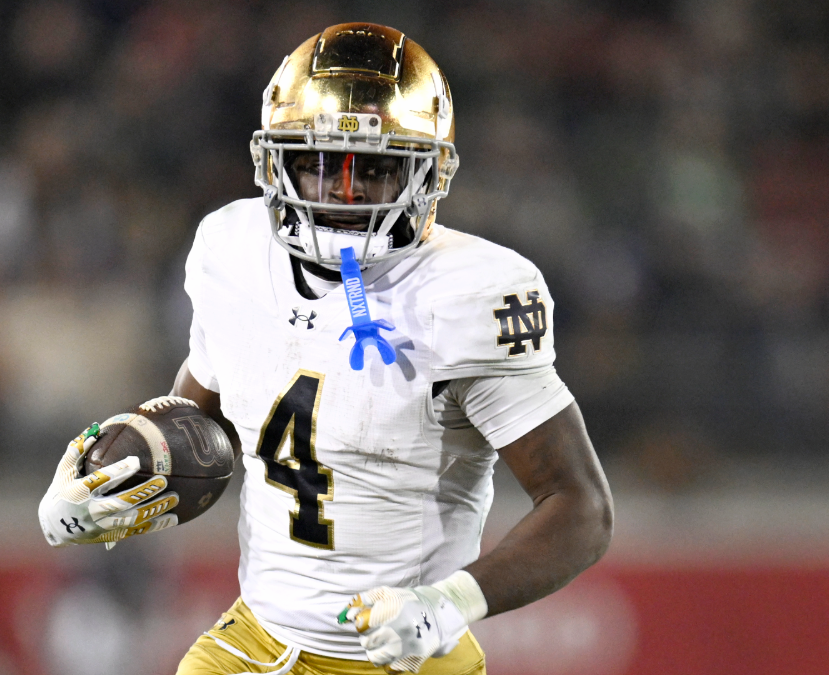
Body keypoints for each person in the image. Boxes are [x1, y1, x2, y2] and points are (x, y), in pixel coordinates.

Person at [37, 22, 612, 675]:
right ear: (273, 162)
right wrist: (115, 479)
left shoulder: (468, 292)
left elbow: (580, 506)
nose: (344, 191)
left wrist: (450, 603)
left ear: (428, 170)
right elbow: (202, 424)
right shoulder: (232, 249)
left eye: (374, 166)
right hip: (253, 640)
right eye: (317, 163)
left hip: (401, 657)